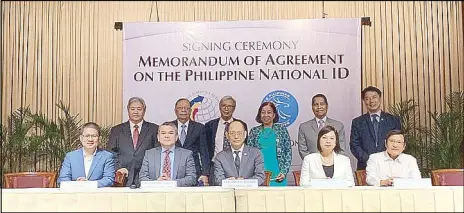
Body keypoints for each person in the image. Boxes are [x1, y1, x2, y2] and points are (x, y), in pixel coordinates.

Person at [107, 97, 159, 186]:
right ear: (128, 110)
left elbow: (157, 152)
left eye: (139, 109)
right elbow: (111, 153)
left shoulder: (154, 129)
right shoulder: (117, 130)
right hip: (123, 176)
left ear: (144, 110)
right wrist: (119, 169)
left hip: (146, 177)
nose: (136, 112)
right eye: (132, 109)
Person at [350, 86, 401, 170]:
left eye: (374, 97)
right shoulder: (357, 122)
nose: (371, 101)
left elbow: (397, 142)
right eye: (367, 98)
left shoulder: (393, 120)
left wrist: (385, 159)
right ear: (364, 101)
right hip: (365, 166)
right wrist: (369, 160)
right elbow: (354, 145)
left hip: (389, 165)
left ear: (380, 98)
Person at [205, 96, 248, 185]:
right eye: (223, 106)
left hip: (237, 166)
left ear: (234, 108)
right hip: (216, 167)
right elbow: (206, 149)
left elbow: (245, 146)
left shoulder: (241, 124)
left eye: (230, 106)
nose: (226, 108)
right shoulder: (210, 125)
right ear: (219, 107)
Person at [139, 122, 197, 187]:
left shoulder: (186, 154)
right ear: (158, 137)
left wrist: (172, 183)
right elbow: (142, 178)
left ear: (176, 137)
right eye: (163, 133)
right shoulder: (149, 154)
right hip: (155, 193)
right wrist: (156, 183)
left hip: (178, 193)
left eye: (171, 133)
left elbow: (192, 178)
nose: (166, 136)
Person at [58, 122, 115, 188]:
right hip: (75, 195)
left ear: (99, 138)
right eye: (87, 136)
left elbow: (109, 180)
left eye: (94, 136)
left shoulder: (107, 156)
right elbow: (62, 179)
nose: (90, 139)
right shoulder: (70, 157)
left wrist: (88, 184)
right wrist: (77, 184)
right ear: (81, 138)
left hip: (97, 196)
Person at [248, 101, 292, 186]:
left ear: (274, 115)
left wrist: (284, 172)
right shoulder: (254, 131)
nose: (266, 115)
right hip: (258, 174)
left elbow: (288, 153)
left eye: (269, 112)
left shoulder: (282, 130)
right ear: (259, 115)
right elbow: (249, 154)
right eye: (263, 112)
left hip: (278, 176)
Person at [171, 98, 210, 186]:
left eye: (186, 108)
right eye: (180, 108)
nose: (183, 110)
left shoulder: (199, 128)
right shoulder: (169, 127)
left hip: (194, 170)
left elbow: (204, 152)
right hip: (173, 170)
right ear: (175, 110)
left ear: (191, 110)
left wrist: (205, 173)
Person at [214, 120, 265, 186]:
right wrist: (228, 182)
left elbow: (260, 177)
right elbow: (218, 179)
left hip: (250, 194)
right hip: (228, 194)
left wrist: (243, 183)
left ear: (245, 134)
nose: (236, 137)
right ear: (227, 135)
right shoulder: (220, 157)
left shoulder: (256, 153)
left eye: (239, 133)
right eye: (232, 133)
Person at [298, 94, 346, 160]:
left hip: (333, 166)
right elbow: (303, 150)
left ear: (327, 106)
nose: (319, 107)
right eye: (316, 104)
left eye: (322, 104)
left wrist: (329, 163)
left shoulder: (338, 126)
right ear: (312, 107)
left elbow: (341, 150)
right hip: (312, 166)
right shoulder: (304, 127)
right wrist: (313, 163)